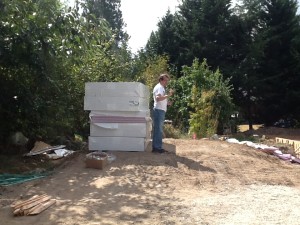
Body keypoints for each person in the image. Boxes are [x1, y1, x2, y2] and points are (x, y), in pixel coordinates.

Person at [152, 73, 174, 153]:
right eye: (165, 80)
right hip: (159, 111)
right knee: (158, 130)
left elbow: (159, 99)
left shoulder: (160, 87)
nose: (166, 82)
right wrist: (168, 95)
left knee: (158, 129)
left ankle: (156, 147)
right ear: (161, 80)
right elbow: (158, 98)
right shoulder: (160, 87)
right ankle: (157, 148)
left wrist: (167, 103)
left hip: (159, 110)